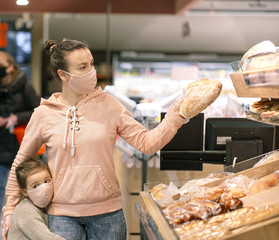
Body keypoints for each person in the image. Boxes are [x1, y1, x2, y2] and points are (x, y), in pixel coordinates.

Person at [1, 39, 188, 240]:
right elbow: (20, 162)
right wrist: (9, 211)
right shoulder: (43, 114)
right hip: (62, 216)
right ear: (62, 75)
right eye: (82, 67)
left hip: (108, 214)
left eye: (91, 64)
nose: (91, 71)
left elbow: (147, 143)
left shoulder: (110, 105)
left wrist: (177, 115)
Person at [0, 51, 41, 213]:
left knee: (17, 188)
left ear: (10, 67)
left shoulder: (24, 86)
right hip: (1, 145)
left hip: (19, 143)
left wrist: (16, 118)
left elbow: (38, 110)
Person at [7, 157, 66, 240]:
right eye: (35, 186)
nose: (44, 188)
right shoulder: (25, 210)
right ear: (25, 192)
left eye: (46, 181)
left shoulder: (44, 206)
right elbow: (46, 238)